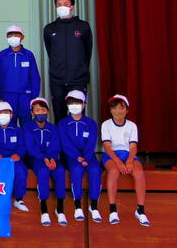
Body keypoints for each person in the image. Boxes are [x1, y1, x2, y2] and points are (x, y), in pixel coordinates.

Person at [43, 0, 93, 124]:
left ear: (72, 7)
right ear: (55, 7)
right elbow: (50, 52)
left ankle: (78, 138)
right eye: (59, 4)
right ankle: (61, 139)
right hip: (57, 81)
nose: (62, 7)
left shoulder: (83, 27)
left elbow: (87, 52)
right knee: (59, 116)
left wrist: (80, 69)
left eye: (65, 4)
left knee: (77, 115)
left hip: (78, 79)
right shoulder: (49, 29)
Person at [101, 94, 149, 226]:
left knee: (139, 173)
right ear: (110, 110)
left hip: (128, 154)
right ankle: (113, 210)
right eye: (114, 108)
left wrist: (129, 161)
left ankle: (140, 210)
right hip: (111, 155)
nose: (118, 111)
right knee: (113, 171)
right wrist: (118, 162)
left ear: (127, 110)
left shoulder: (132, 126)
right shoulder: (106, 125)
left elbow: (133, 146)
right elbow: (107, 146)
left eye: (121, 108)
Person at [58, 90, 102, 223]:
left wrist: (86, 157)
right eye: (71, 103)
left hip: (88, 156)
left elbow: (92, 142)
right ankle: (77, 206)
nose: (74, 106)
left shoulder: (91, 123)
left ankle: (94, 206)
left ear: (84, 105)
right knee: (76, 170)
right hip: (71, 156)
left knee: (95, 170)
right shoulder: (63, 123)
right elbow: (65, 144)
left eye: (77, 103)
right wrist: (77, 157)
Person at [24, 97, 67, 226]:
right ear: (32, 112)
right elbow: (31, 147)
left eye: (43, 110)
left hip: (52, 158)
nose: (40, 113)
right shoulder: (28, 128)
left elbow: (56, 145)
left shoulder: (53, 128)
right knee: (43, 171)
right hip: (36, 159)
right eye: (37, 110)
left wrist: (52, 158)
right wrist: (44, 158)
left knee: (60, 171)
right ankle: (44, 210)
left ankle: (60, 209)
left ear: (48, 111)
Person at [0, 102, 29, 211]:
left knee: (21, 171)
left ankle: (18, 199)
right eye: (0, 113)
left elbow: (22, 145)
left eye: (6, 112)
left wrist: (18, 154)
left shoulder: (17, 130)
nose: (3, 115)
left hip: (13, 159)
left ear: (11, 115)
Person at [0, 25, 41, 129]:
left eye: (16, 34)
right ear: (6, 37)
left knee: (27, 124)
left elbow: (35, 77)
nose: (13, 37)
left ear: (22, 37)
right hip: (7, 95)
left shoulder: (28, 55)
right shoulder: (2, 55)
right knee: (9, 124)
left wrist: (34, 97)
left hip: (26, 96)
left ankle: (26, 140)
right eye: (10, 35)